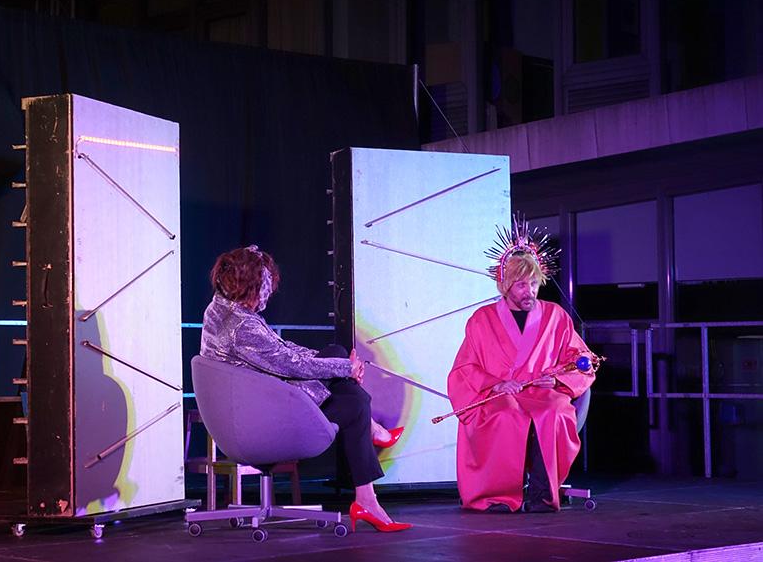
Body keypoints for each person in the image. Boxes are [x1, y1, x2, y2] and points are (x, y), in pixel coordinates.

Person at [200, 245, 411, 532]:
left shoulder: (221, 309)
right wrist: (345, 369)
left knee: (344, 376)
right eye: (265, 286)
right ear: (253, 285)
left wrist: (340, 365)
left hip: (251, 410)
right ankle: (369, 479)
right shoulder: (241, 326)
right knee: (354, 401)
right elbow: (289, 365)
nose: (268, 293)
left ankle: (367, 493)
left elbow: (282, 351)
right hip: (261, 419)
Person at [447, 224, 595, 513]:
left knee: (554, 412)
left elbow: (582, 359)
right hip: (500, 394)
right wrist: (497, 384)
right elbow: (465, 368)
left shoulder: (555, 316)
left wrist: (557, 380)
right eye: (521, 285)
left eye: (534, 284)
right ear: (505, 285)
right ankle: (498, 496)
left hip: (542, 392)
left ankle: (542, 494)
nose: (530, 292)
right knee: (505, 415)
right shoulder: (482, 319)